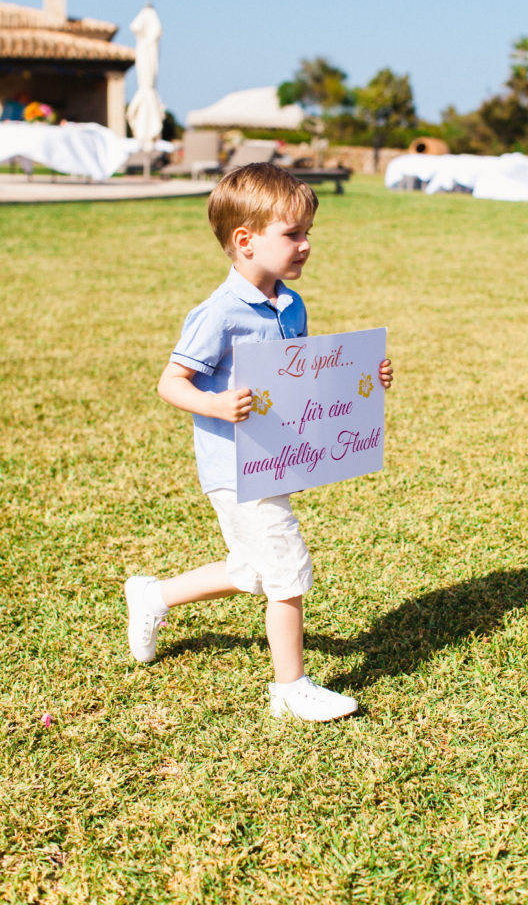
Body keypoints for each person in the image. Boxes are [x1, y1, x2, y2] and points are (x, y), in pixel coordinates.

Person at [124, 163, 393, 722]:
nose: (306, 245)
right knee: (287, 568)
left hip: (275, 460)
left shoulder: (290, 305)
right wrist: (216, 403)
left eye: (308, 233)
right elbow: (170, 382)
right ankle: (290, 687)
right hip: (236, 468)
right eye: (293, 234)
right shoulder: (218, 314)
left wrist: (366, 376)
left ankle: (153, 596)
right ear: (244, 241)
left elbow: (304, 374)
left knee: (251, 570)